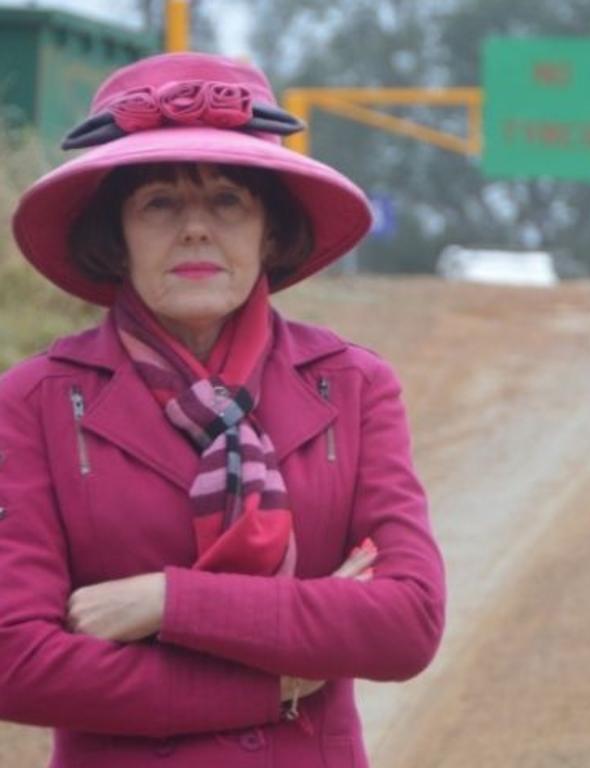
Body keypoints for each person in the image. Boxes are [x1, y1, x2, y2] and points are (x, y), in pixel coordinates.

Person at [0, 52, 445, 767]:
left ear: (270, 229)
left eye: (228, 199)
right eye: (160, 203)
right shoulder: (36, 401)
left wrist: (167, 602)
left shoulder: (352, 386)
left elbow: (407, 623)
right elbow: (17, 661)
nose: (196, 229)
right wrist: (275, 686)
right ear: (115, 237)